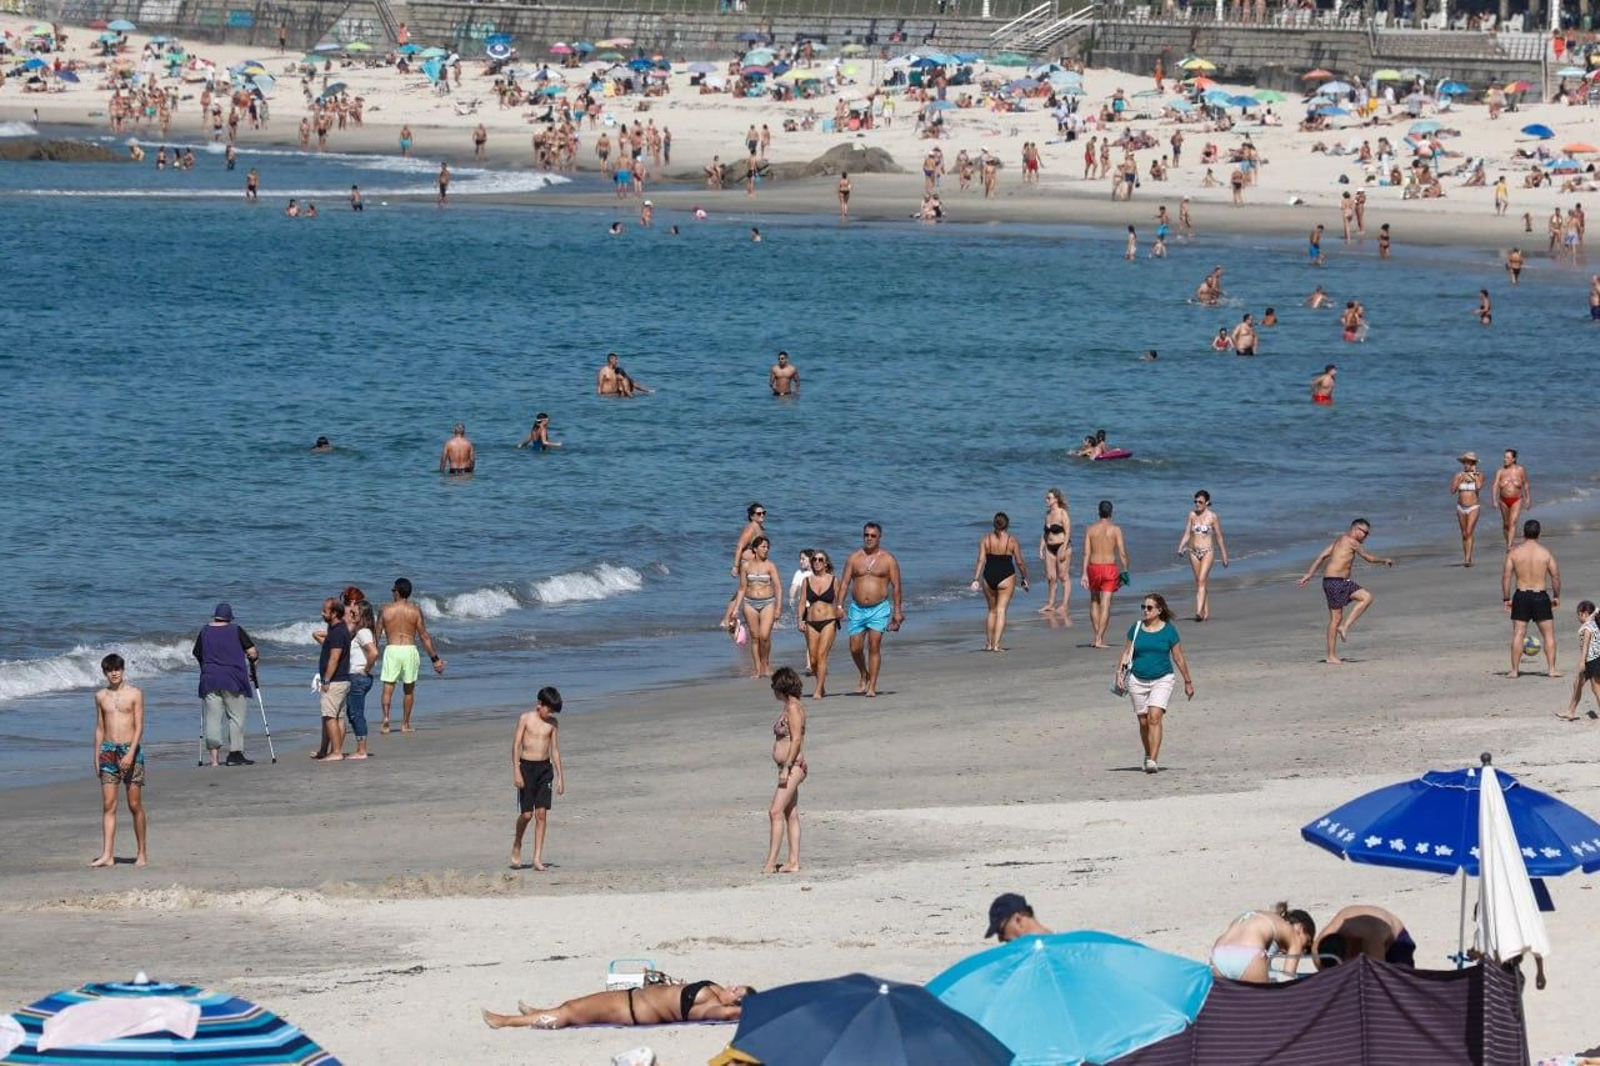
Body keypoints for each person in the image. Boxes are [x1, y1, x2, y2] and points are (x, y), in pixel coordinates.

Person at [1297, 519, 1394, 665]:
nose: (1366, 536)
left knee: (1366, 597)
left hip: (1344, 582)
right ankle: (1331, 656)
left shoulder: (1339, 541)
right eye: (1365, 533)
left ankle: (1345, 627)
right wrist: (1384, 560)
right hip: (1334, 582)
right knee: (1335, 619)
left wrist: (1309, 574)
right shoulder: (1351, 541)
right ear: (1356, 529)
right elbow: (1368, 558)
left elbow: (1322, 556)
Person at [1116, 593, 1193, 774]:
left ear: (1159, 610)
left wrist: (1187, 681)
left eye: (1149, 607)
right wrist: (1119, 673)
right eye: (1143, 607)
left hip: (1162, 678)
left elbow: (1178, 657)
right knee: (1143, 721)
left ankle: (1153, 760)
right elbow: (1127, 652)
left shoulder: (1169, 631)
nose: (1145, 610)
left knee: (1154, 717)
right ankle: (1147, 753)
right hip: (1137, 679)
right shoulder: (1136, 628)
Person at [483, 981, 754, 1030]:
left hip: (631, 1008)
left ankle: (505, 1021)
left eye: (736, 991)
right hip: (632, 998)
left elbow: (738, 1012)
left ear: (736, 1003)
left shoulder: (714, 1010)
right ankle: (538, 1013)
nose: (731, 987)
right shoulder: (714, 993)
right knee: (571, 1006)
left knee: (570, 1013)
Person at [90, 653, 147, 868]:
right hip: (108, 751)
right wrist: (96, 756)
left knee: (134, 804)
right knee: (108, 804)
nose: (114, 673)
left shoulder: (135, 694)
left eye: (117, 669)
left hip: (130, 750)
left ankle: (141, 852)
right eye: (109, 670)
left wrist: (131, 753)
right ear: (105, 672)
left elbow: (139, 726)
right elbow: (99, 727)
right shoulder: (100, 696)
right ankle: (107, 855)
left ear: (123, 670)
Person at [838, 522, 905, 698]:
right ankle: (864, 674)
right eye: (866, 535)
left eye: (873, 535)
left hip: (879, 609)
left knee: (874, 645)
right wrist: (839, 606)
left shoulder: (888, 560)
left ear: (879, 537)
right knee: (855, 648)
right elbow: (844, 583)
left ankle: (872, 686)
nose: (869, 538)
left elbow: (896, 586)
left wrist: (897, 612)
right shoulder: (854, 558)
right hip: (857, 608)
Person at [377, 578, 446, 734]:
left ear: (398, 591)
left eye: (393, 590)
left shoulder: (385, 609)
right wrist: (435, 659)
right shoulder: (415, 610)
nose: (392, 592)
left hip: (392, 650)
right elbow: (424, 636)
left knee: (388, 688)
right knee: (408, 690)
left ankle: (386, 720)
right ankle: (405, 724)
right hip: (409, 650)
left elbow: (377, 634)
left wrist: (371, 655)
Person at [193, 602, 259, 766]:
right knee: (236, 717)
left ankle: (214, 760)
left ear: (215, 616)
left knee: (213, 718)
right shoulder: (236, 630)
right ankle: (235, 754)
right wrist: (253, 665)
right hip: (233, 679)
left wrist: (205, 667)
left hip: (209, 679)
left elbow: (197, 653)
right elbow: (252, 652)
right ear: (229, 618)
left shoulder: (204, 631)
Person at [511, 686, 563, 870]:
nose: (550, 714)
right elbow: (516, 745)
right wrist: (516, 771)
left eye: (553, 711)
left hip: (544, 769)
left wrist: (560, 776)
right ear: (539, 704)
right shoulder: (525, 718)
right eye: (549, 709)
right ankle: (517, 843)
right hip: (526, 768)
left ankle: (537, 858)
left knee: (541, 814)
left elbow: (554, 750)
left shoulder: (553, 724)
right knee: (527, 815)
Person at [1504, 519, 1560, 679]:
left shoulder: (1514, 553)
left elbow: (1506, 577)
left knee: (1518, 633)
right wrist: (1556, 596)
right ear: (1539, 533)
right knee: (1548, 635)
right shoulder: (1545, 553)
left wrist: (1506, 598)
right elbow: (1555, 576)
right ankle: (1551, 669)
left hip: (1521, 595)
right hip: (1540, 596)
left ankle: (1514, 671)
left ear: (1523, 533)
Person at [763, 666, 806, 874]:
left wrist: (786, 767)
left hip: (793, 767)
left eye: (774, 686)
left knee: (775, 811)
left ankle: (771, 863)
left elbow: (796, 740)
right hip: (787, 766)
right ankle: (793, 862)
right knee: (790, 813)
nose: (772, 689)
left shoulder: (794, 708)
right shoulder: (789, 706)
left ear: (781, 687)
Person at [1210, 904, 1317, 982]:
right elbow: (1288, 979)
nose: (1302, 950)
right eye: (1306, 943)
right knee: (1264, 1004)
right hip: (1248, 954)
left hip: (1218, 955)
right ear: (1300, 928)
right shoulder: (1294, 935)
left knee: (1227, 1004)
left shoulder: (1263, 918)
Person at [970, 512, 1028, 652]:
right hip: (1006, 576)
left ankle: (989, 644)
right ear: (1007, 525)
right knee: (1001, 610)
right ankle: (996, 645)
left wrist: (975, 579)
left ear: (994, 524)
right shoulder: (1012, 540)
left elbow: (980, 560)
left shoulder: (986, 539)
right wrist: (1024, 577)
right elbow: (1019, 562)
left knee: (991, 611)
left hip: (988, 575)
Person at [1081, 501, 1129, 649]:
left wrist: (1084, 573)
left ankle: (1097, 636)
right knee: (1106, 603)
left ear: (1098, 512)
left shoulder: (1090, 530)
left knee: (1094, 600)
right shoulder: (1115, 530)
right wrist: (1125, 570)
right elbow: (1122, 552)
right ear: (1111, 513)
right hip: (1109, 568)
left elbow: (1086, 553)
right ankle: (1099, 638)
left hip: (1093, 568)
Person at [1177, 490, 1229, 621]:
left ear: (1207, 502)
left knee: (1201, 580)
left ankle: (1199, 611)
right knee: (1200, 582)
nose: (1197, 504)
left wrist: (1224, 555)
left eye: (1200, 502)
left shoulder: (1213, 517)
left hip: (1207, 552)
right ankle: (1205, 611)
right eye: (1195, 501)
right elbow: (1187, 533)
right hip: (1193, 552)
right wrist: (1181, 547)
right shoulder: (1192, 515)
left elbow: (1219, 537)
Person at [799, 550, 843, 698]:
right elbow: (802, 602)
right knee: (813, 660)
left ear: (826, 563)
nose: (817, 562)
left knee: (821, 655)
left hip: (828, 621)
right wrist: (800, 620)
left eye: (820, 559)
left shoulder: (834, 580)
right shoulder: (806, 581)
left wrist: (840, 610)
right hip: (811, 622)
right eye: (814, 560)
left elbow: (839, 600)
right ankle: (821, 685)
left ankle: (817, 690)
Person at [1314, 905, 1415, 969]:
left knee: (1402, 981)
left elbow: (1379, 975)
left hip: (1395, 939)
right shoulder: (1318, 952)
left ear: (1350, 950)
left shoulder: (1370, 938)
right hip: (1360, 921)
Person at [313, 597, 351, 761]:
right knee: (337, 717)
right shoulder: (338, 629)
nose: (322, 613)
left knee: (330, 717)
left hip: (335, 681)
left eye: (325, 611)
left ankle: (336, 752)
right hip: (342, 680)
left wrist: (326, 680)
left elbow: (334, 658)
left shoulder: (338, 632)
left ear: (334, 613)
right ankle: (330, 750)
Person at [739, 536, 783, 678]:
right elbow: (742, 588)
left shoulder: (770, 565)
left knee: (764, 636)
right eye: (763, 547)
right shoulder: (746, 566)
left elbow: (778, 587)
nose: (766, 549)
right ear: (755, 548)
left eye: (767, 547)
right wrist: (734, 609)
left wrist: (778, 608)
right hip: (749, 603)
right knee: (754, 637)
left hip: (767, 603)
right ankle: (757, 669)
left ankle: (766, 664)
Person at [343, 600, 377, 759]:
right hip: (356, 677)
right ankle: (360, 749)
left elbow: (373, 653)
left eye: (354, 613)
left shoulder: (363, 632)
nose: (352, 615)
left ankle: (362, 750)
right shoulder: (361, 631)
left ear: (362, 615)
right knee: (352, 712)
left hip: (358, 677)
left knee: (356, 713)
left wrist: (366, 670)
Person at [1560, 600, 1600, 720]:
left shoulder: (1587, 628)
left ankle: (1571, 711)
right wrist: (1593, 613)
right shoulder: (1595, 623)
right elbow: (1596, 610)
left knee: (1596, 687)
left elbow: (1586, 646)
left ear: (1585, 613)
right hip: (1596, 659)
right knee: (1578, 684)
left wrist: (1582, 661)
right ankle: (1571, 711)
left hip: (1591, 661)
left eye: (1579, 614)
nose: (1578, 617)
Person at [1039, 488, 1073, 619]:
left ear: (1056, 499)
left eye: (1049, 498)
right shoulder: (1048, 514)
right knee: (1050, 577)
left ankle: (1064, 605)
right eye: (1046, 498)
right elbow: (1045, 533)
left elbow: (1068, 532)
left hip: (1062, 546)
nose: (1046, 500)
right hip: (1049, 547)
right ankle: (1051, 604)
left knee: (1063, 576)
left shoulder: (1062, 513)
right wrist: (1041, 547)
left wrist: (1064, 548)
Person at [1450, 452, 1485, 567]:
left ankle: (1467, 559)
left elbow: (1479, 486)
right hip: (1461, 507)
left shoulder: (1479, 475)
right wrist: (1459, 480)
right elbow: (1452, 491)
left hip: (1473, 507)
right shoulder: (1458, 475)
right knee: (1464, 534)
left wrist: (1474, 473)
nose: (1466, 465)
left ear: (1474, 464)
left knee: (1469, 531)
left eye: (1469, 463)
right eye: (1465, 462)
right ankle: (1466, 556)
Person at [1492, 449, 1531, 547]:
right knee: (1506, 524)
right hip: (1503, 500)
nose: (1505, 459)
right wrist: (1494, 500)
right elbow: (1495, 485)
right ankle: (1508, 543)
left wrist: (1528, 498)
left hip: (1517, 500)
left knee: (1512, 523)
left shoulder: (1520, 470)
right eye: (1504, 457)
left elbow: (1526, 484)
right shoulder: (1500, 471)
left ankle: (1509, 547)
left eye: (1507, 457)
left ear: (1514, 459)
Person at [985, 892, 1052, 941]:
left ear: (1018, 920)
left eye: (1001, 931)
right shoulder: (1057, 946)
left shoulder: (1021, 956)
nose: (1000, 939)